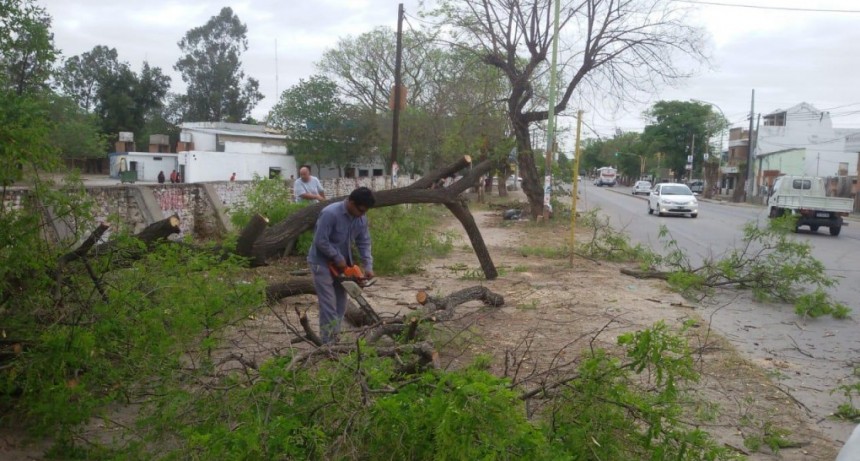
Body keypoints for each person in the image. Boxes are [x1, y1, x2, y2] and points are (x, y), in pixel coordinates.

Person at [308, 187, 375, 343]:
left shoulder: (360, 219)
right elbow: (321, 241)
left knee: (340, 304)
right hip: (321, 263)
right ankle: (327, 344)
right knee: (328, 304)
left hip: (342, 267)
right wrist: (337, 256)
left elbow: (364, 242)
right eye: (360, 210)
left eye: (365, 211)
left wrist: (368, 265)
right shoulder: (330, 213)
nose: (362, 214)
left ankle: (334, 338)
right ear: (351, 202)